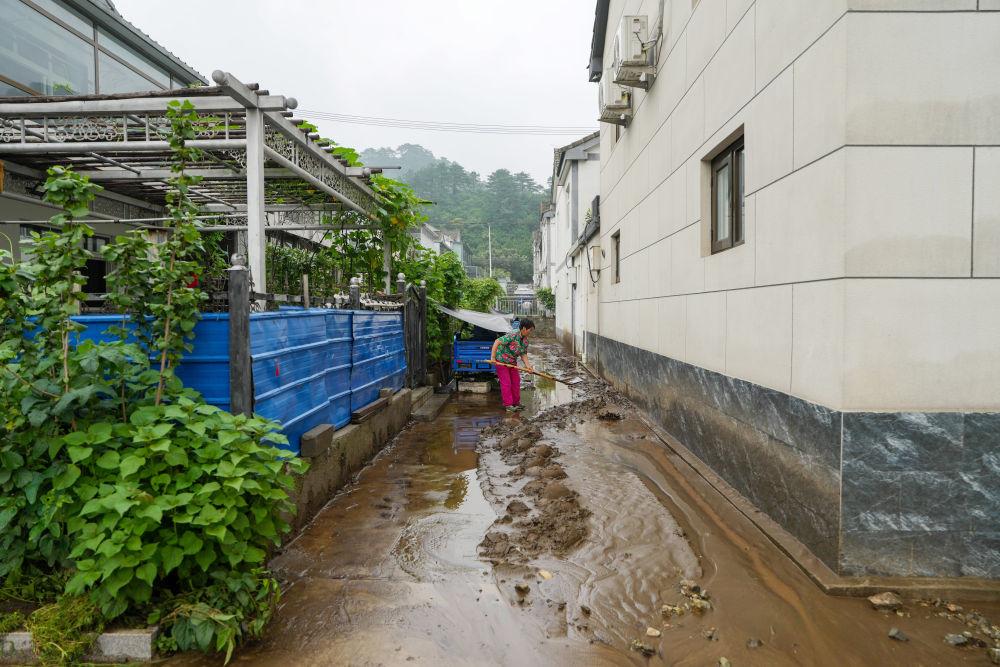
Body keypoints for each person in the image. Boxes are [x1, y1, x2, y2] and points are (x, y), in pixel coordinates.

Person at [490, 319, 535, 413]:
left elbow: (523, 354)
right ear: (524, 328)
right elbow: (497, 341)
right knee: (506, 383)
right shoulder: (513, 335)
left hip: (512, 362)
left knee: (516, 381)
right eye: (530, 330)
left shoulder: (525, 341)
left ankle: (516, 403)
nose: (531, 332)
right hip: (501, 361)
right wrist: (493, 358)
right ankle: (508, 405)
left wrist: (528, 366)